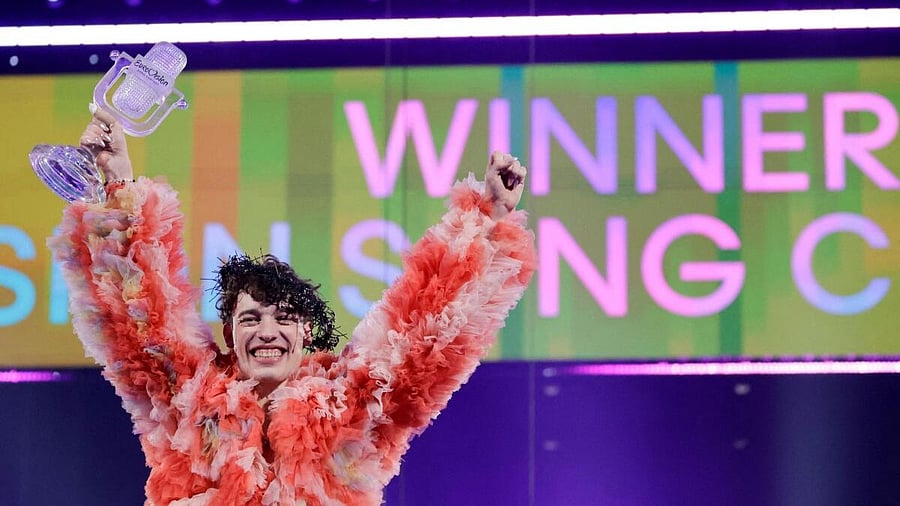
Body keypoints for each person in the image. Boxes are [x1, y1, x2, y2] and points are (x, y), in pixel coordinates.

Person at [50, 107, 535, 505]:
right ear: (229, 333)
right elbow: (139, 315)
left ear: (305, 332)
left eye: (283, 319)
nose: (267, 331)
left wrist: (486, 217)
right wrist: (117, 182)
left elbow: (420, 332)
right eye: (251, 318)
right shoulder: (187, 401)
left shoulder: (349, 407)